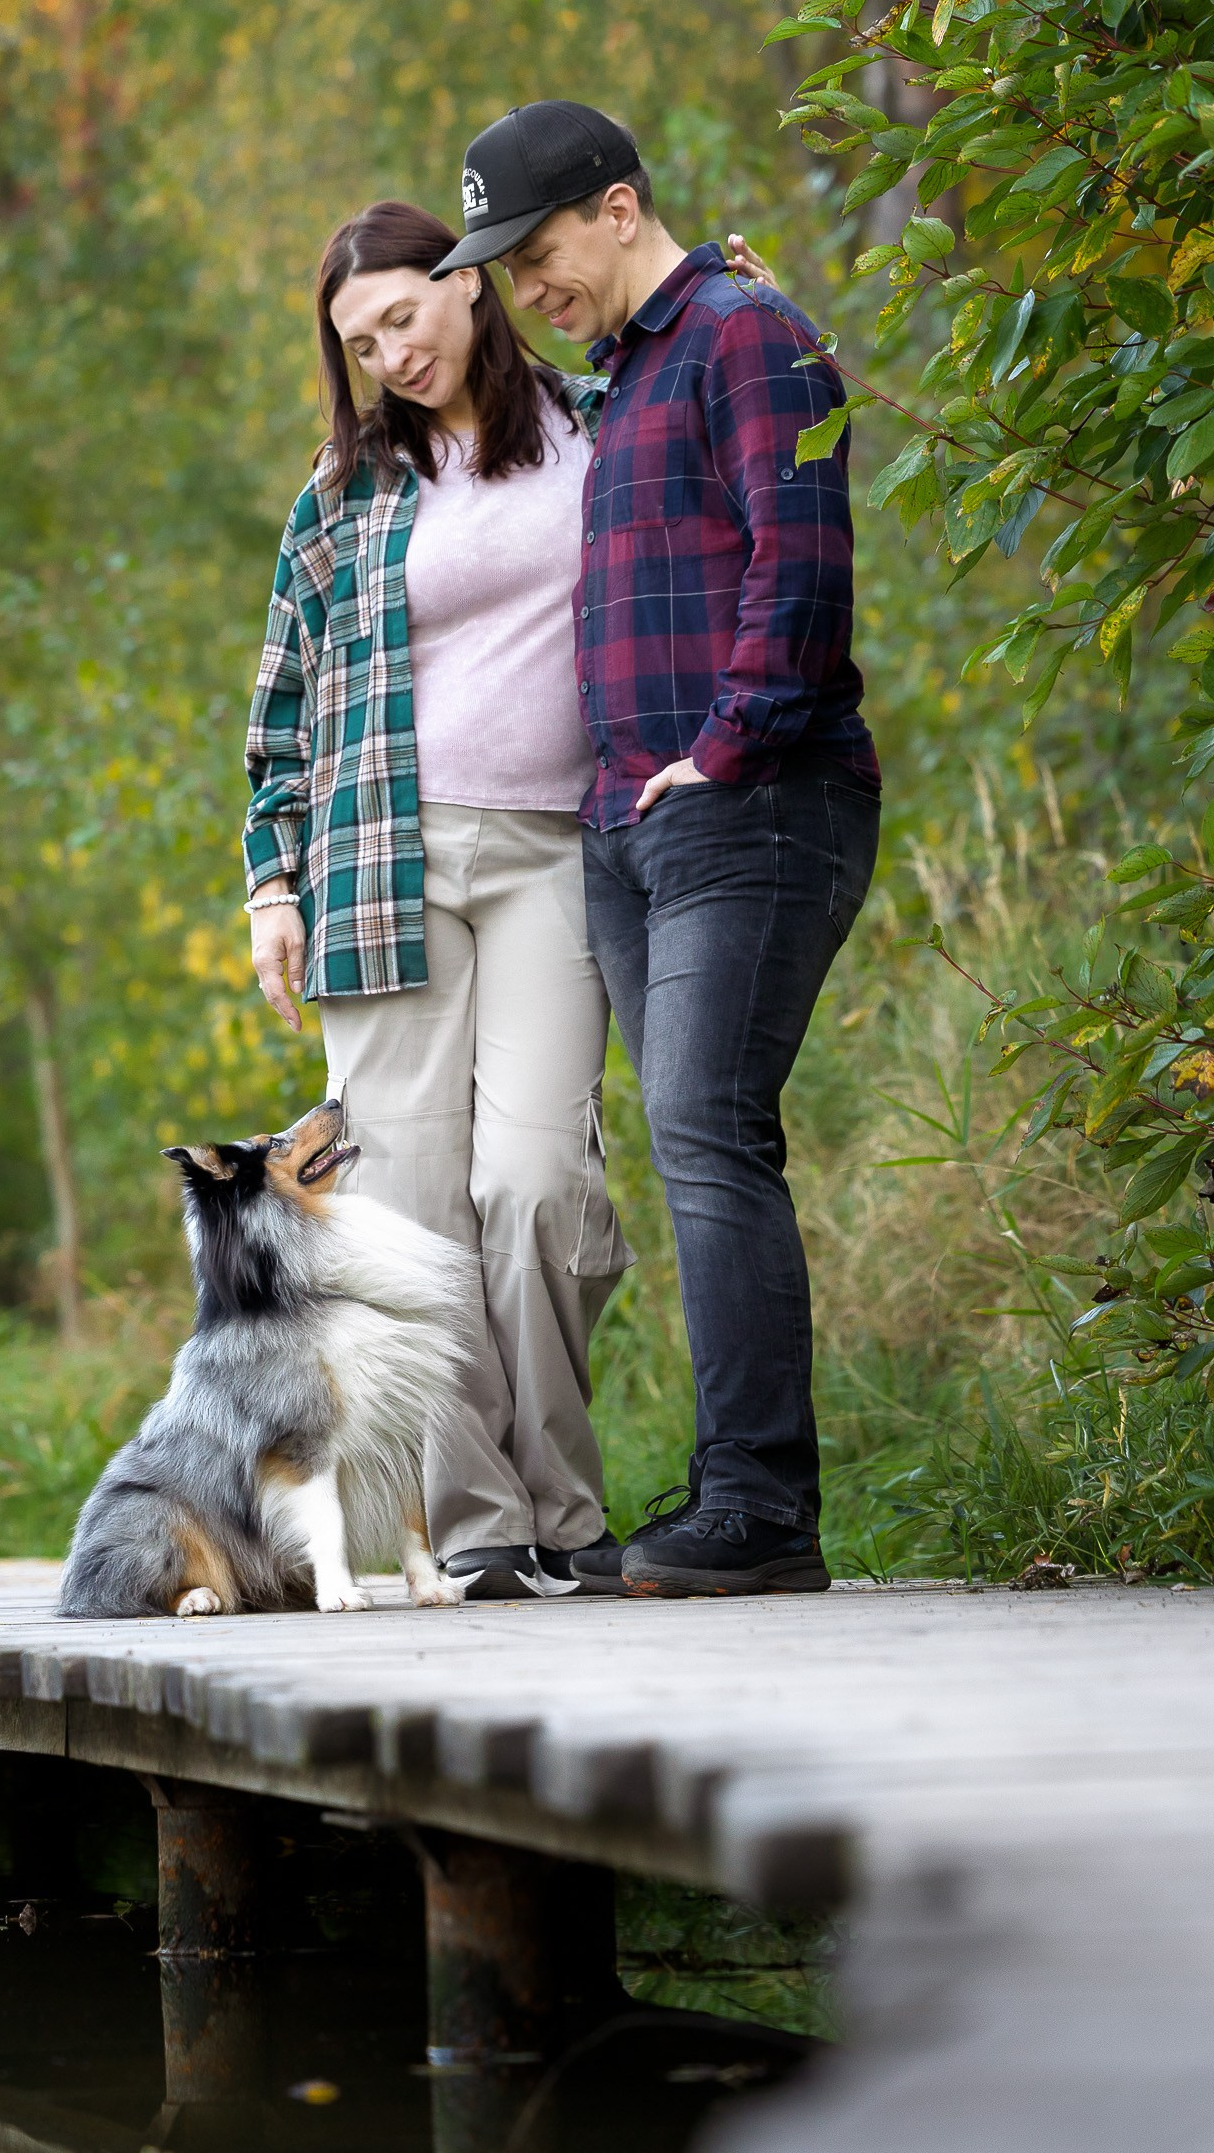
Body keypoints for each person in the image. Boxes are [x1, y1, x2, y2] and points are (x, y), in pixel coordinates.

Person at [432, 99, 881, 1600]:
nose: (523, 287)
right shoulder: (624, 376)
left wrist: (729, 748)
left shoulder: (748, 335)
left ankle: (761, 1508)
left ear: (620, 208)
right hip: (641, 823)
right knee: (695, 1145)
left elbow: (801, 562)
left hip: (752, 801)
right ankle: (734, 1493)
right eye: (504, 267)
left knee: (705, 1134)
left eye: (540, 250)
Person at [240, 199, 628, 1601]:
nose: (389, 353)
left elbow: (742, 422)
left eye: (401, 315)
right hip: (372, 867)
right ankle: (480, 1531)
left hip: (554, 855)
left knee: (536, 1186)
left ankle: (568, 1513)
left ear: (464, 289)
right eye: (358, 342)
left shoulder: (601, 425)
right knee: (409, 1211)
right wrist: (267, 881)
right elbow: (280, 704)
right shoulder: (340, 492)